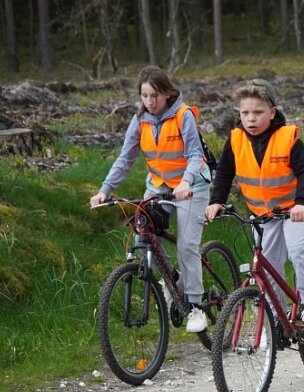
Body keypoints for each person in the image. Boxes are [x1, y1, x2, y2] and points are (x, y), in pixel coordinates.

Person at [89, 66, 212, 333]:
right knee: (143, 235)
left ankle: (195, 306)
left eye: (154, 95)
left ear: (167, 93)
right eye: (144, 96)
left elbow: (194, 154)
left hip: (192, 186)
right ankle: (174, 282)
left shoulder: (183, 115)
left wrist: (186, 182)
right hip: (158, 187)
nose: (149, 102)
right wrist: (104, 190)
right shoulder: (140, 119)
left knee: (187, 246)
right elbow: (126, 158)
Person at [204, 79, 304, 325]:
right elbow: (225, 173)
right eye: (245, 112)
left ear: (272, 112)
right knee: (268, 262)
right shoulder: (236, 139)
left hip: (294, 208)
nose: (251, 119)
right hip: (262, 213)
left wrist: (302, 203)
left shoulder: (287, 137)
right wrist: (217, 200)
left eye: (258, 113)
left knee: (299, 250)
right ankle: (276, 310)